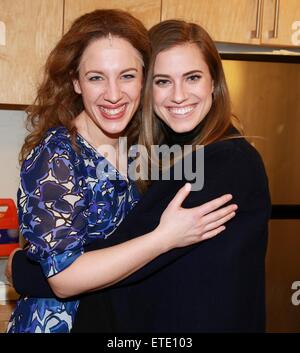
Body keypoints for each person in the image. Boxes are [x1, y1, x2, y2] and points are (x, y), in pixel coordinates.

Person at [5, 12, 236, 334]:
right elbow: (63, 279)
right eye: (96, 77)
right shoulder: (57, 154)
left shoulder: (143, 149)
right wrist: (164, 238)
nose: (113, 94)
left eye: (127, 76)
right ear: (75, 81)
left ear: (144, 78)